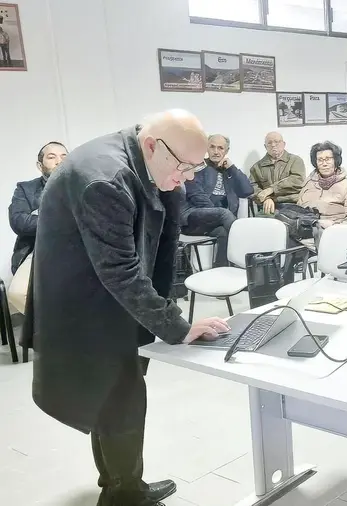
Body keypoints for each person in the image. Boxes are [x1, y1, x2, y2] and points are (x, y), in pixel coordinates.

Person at [25, 110, 230, 506]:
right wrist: (178, 326)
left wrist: (162, 309)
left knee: (117, 399)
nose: (188, 177)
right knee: (120, 400)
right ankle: (124, 494)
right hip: (88, 308)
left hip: (108, 299)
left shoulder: (145, 158)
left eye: (196, 168)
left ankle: (122, 486)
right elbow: (120, 270)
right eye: (185, 167)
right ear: (153, 145)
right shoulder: (105, 179)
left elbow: (157, 245)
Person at [181, 134, 253, 267]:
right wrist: (217, 213)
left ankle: (221, 269)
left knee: (223, 233)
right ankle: (251, 253)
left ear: (226, 151)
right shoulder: (196, 167)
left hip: (216, 223)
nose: (216, 151)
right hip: (194, 217)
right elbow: (196, 195)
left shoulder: (229, 170)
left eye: (220, 148)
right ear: (206, 149)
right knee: (224, 214)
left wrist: (231, 167)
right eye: (212, 147)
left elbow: (247, 191)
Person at [9, 141, 68, 275]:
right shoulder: (26, 189)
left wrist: (39, 216)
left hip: (80, 252)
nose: (59, 161)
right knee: (18, 293)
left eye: (64, 157)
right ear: (40, 165)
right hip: (37, 253)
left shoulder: (83, 186)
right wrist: (65, 221)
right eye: (52, 157)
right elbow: (19, 221)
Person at [296, 141, 347, 245]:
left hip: (335, 237)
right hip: (305, 236)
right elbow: (298, 210)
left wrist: (334, 227)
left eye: (328, 159)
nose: (324, 163)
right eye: (320, 160)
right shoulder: (308, 182)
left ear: (336, 161)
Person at [249, 131, 307, 214]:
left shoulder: (295, 160)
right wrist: (266, 198)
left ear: (284, 144)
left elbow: (297, 180)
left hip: (292, 204)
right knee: (261, 224)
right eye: (269, 143)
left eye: (276, 142)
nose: (273, 145)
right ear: (265, 147)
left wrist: (272, 189)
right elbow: (252, 186)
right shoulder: (257, 167)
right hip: (267, 206)